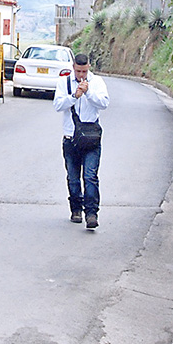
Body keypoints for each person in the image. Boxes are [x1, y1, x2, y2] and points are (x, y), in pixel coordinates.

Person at [53, 53, 110, 229]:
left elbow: (104, 103)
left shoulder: (97, 82)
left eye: (84, 71)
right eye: (78, 71)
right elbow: (58, 105)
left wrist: (88, 92)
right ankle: (76, 209)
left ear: (89, 67)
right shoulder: (64, 82)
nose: (81, 75)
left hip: (91, 138)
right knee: (73, 177)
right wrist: (74, 96)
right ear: (73, 67)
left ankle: (91, 213)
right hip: (71, 137)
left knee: (90, 176)